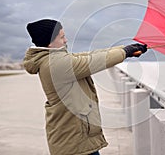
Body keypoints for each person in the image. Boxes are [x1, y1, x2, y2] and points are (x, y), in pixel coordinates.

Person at [23, 19, 147, 155]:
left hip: (75, 135)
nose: (65, 40)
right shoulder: (55, 64)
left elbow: (90, 55)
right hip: (73, 139)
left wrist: (125, 49)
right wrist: (125, 53)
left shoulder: (55, 59)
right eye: (62, 37)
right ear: (50, 41)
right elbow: (93, 61)